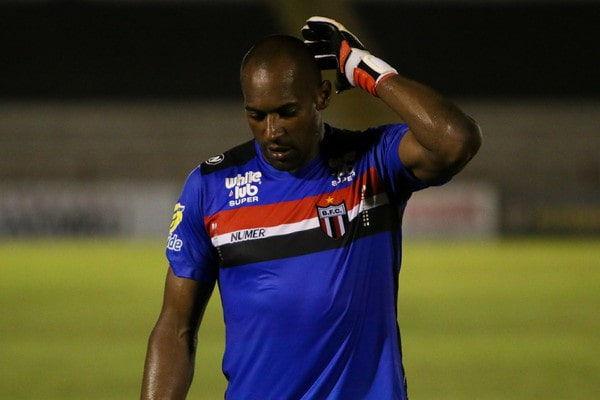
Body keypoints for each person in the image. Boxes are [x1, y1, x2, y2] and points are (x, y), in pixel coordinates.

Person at [141, 16, 481, 400]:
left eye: (287, 112)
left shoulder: (372, 163)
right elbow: (175, 328)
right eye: (257, 115)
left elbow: (455, 141)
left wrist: (366, 69)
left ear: (321, 96)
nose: (272, 131)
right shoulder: (210, 187)